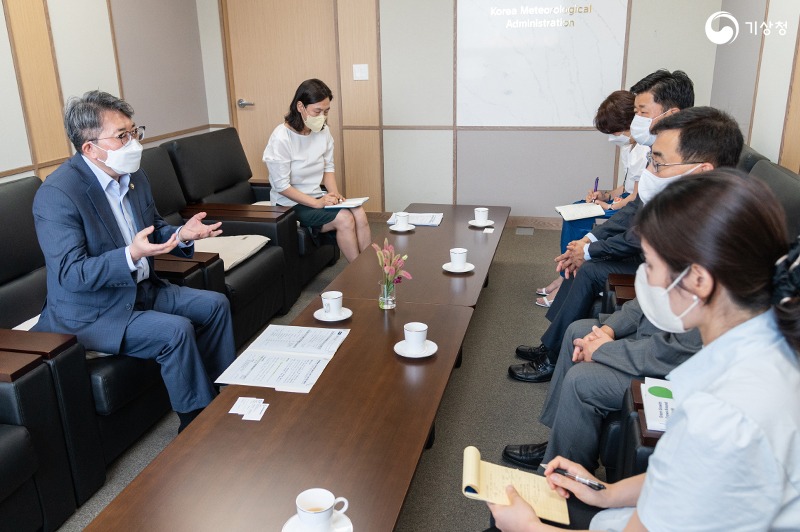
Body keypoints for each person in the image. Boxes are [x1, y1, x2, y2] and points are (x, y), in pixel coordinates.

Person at [489, 170, 800, 530]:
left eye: (651, 265)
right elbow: (680, 478)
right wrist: (605, 492)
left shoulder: (723, 417)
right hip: (635, 513)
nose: (647, 280)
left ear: (698, 279)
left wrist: (529, 528)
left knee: (504, 516)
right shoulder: (765, 347)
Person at [32, 90, 235, 433]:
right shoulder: (57, 195)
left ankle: (222, 394)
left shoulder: (136, 177)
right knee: (175, 330)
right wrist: (131, 255)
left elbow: (153, 229)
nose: (134, 143)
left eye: (134, 131)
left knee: (216, 304)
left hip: (142, 289)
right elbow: (70, 274)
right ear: (89, 148)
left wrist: (181, 235)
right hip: (91, 310)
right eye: (122, 136)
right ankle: (198, 425)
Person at [510, 104, 742, 385]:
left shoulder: (709, 219)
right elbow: (631, 214)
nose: (651, 170)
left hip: (645, 271)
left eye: (643, 110)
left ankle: (553, 353)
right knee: (584, 260)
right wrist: (589, 240)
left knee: (588, 267)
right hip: (643, 265)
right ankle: (552, 345)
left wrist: (588, 251)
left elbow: (637, 238)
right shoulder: (671, 180)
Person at [501, 296, 701, 473]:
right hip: (653, 341)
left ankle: (565, 473)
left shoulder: (714, 280)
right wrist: (607, 330)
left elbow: (671, 353)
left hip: (674, 372)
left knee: (581, 381)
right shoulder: (684, 265)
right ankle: (558, 443)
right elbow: (645, 301)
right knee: (577, 332)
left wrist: (603, 349)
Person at [537, 90, 647, 308]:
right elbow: (624, 188)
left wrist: (609, 205)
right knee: (574, 210)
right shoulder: (629, 147)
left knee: (578, 220)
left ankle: (569, 271)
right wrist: (604, 194)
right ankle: (566, 271)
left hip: (632, 207)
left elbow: (636, 198)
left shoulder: (644, 151)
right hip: (623, 200)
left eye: (614, 131)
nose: (612, 137)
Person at [263, 78, 371, 262]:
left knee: (358, 211)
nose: (322, 116)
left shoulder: (323, 131)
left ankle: (372, 270)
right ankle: (360, 275)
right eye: (317, 111)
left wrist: (334, 195)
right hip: (289, 204)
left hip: (316, 195)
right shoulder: (281, 138)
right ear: (300, 107)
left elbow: (328, 167)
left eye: (326, 111)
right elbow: (281, 186)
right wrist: (317, 203)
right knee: (345, 218)